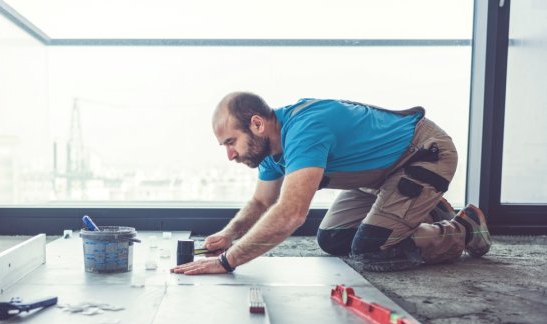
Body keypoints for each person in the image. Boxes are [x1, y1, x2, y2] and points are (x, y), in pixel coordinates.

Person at [171, 92, 491, 275]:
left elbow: (290, 213)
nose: (229, 155)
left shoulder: (304, 130)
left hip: (422, 156)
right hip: (377, 178)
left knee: (370, 250)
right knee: (332, 240)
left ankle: (464, 228)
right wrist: (230, 234)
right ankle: (427, 207)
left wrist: (229, 261)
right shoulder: (269, 148)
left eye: (231, 142)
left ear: (257, 123)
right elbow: (261, 203)